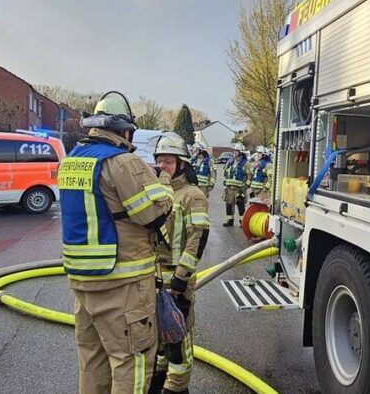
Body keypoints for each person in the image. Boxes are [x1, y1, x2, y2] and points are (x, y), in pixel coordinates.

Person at [59, 91, 173, 394]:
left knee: (92, 360)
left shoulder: (71, 161)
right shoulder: (123, 163)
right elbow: (153, 215)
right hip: (122, 281)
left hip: (83, 282)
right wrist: (162, 184)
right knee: (131, 360)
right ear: (125, 130)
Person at [148, 133, 210, 394]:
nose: (163, 167)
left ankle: (177, 388)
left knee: (179, 339)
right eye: (159, 162)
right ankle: (159, 380)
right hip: (154, 277)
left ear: (182, 164)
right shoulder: (155, 194)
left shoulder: (192, 196)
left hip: (177, 281)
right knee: (159, 337)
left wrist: (182, 278)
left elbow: (198, 237)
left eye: (169, 162)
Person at [221, 142, 248, 226]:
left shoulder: (245, 163)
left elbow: (249, 176)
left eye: (236, 151)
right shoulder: (231, 162)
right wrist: (228, 163)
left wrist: (244, 187)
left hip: (239, 188)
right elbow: (225, 171)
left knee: (240, 204)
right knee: (229, 203)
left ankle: (242, 221)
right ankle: (229, 220)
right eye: (234, 151)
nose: (234, 152)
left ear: (241, 153)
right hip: (229, 188)